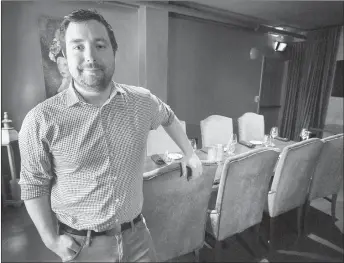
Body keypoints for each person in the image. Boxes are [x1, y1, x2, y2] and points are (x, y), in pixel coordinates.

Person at [18, 8, 202, 263]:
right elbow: (33, 185)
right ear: (65, 56)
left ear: (113, 51)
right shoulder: (41, 119)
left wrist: (190, 153)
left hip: (138, 236)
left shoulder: (142, 101)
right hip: (83, 246)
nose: (90, 56)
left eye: (100, 45)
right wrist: (51, 240)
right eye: (78, 47)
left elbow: (168, 116)